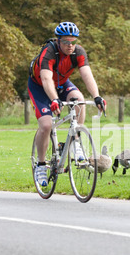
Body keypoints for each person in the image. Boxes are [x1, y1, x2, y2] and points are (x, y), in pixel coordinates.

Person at [28, 22, 107, 187]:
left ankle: (75, 140)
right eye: (66, 42)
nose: (70, 46)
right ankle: (41, 165)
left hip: (62, 84)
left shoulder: (78, 52)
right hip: (40, 87)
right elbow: (46, 79)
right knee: (46, 125)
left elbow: (87, 75)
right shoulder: (48, 52)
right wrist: (54, 99)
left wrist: (97, 96)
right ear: (58, 41)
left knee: (79, 99)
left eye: (73, 42)